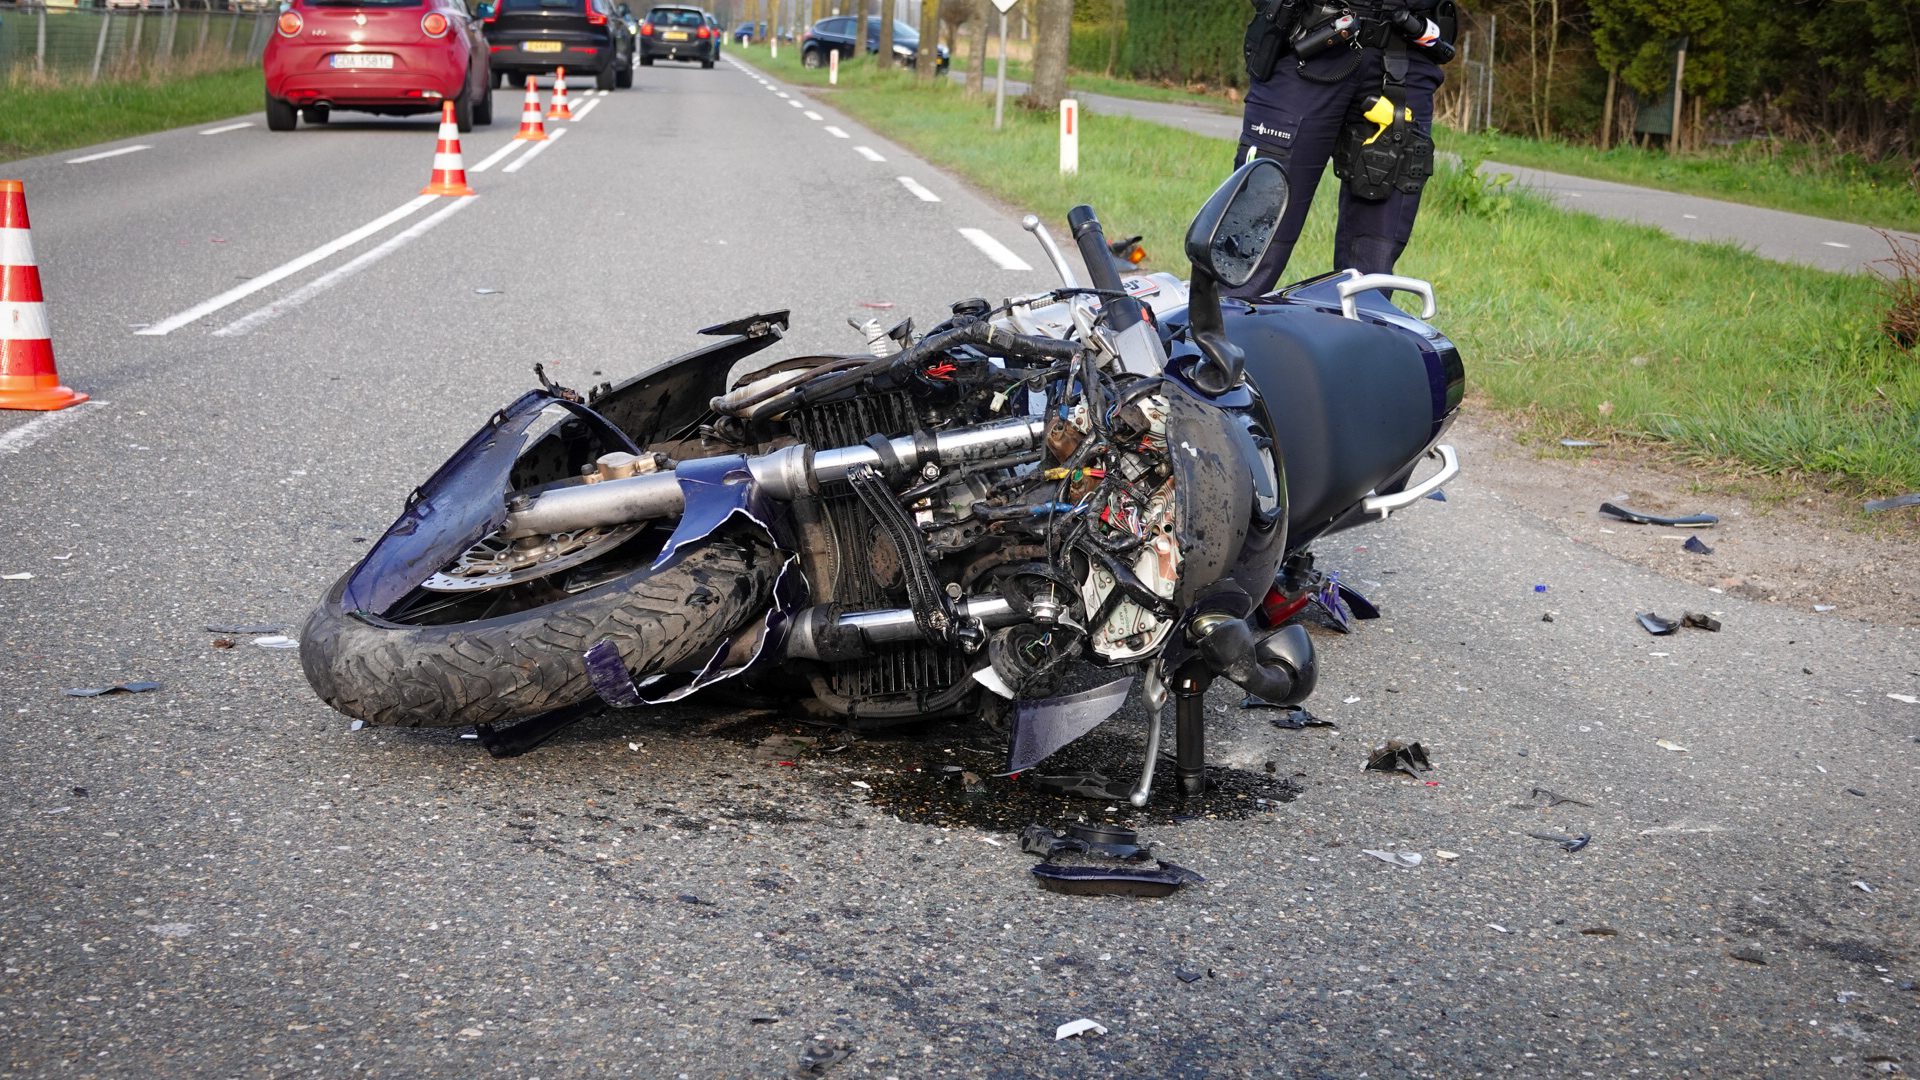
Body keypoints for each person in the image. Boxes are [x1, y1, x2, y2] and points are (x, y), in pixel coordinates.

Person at [1227, 0, 1454, 300]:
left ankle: (1356, 339)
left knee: (1372, 269)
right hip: (1307, 38)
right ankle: (1213, 335)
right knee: (1253, 234)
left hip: (1408, 47)